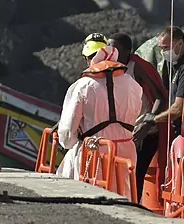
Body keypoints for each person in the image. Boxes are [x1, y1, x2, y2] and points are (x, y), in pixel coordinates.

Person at [56, 36, 143, 195]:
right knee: (124, 197)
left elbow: (67, 134)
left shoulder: (84, 85)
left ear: (90, 59)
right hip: (126, 152)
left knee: (90, 197)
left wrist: (69, 143)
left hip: (94, 152)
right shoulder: (133, 84)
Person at [107, 32, 167, 197]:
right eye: (109, 48)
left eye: (115, 48)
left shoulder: (137, 67)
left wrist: (146, 125)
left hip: (143, 134)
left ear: (127, 51)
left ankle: (133, 209)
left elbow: (160, 98)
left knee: (135, 175)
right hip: (124, 133)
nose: (112, 52)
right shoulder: (109, 67)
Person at [149, 26, 184, 140]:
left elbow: (177, 109)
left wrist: (154, 119)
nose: (163, 52)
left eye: (166, 48)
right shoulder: (173, 64)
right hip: (174, 129)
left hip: (183, 131)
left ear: (180, 43)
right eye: (161, 48)